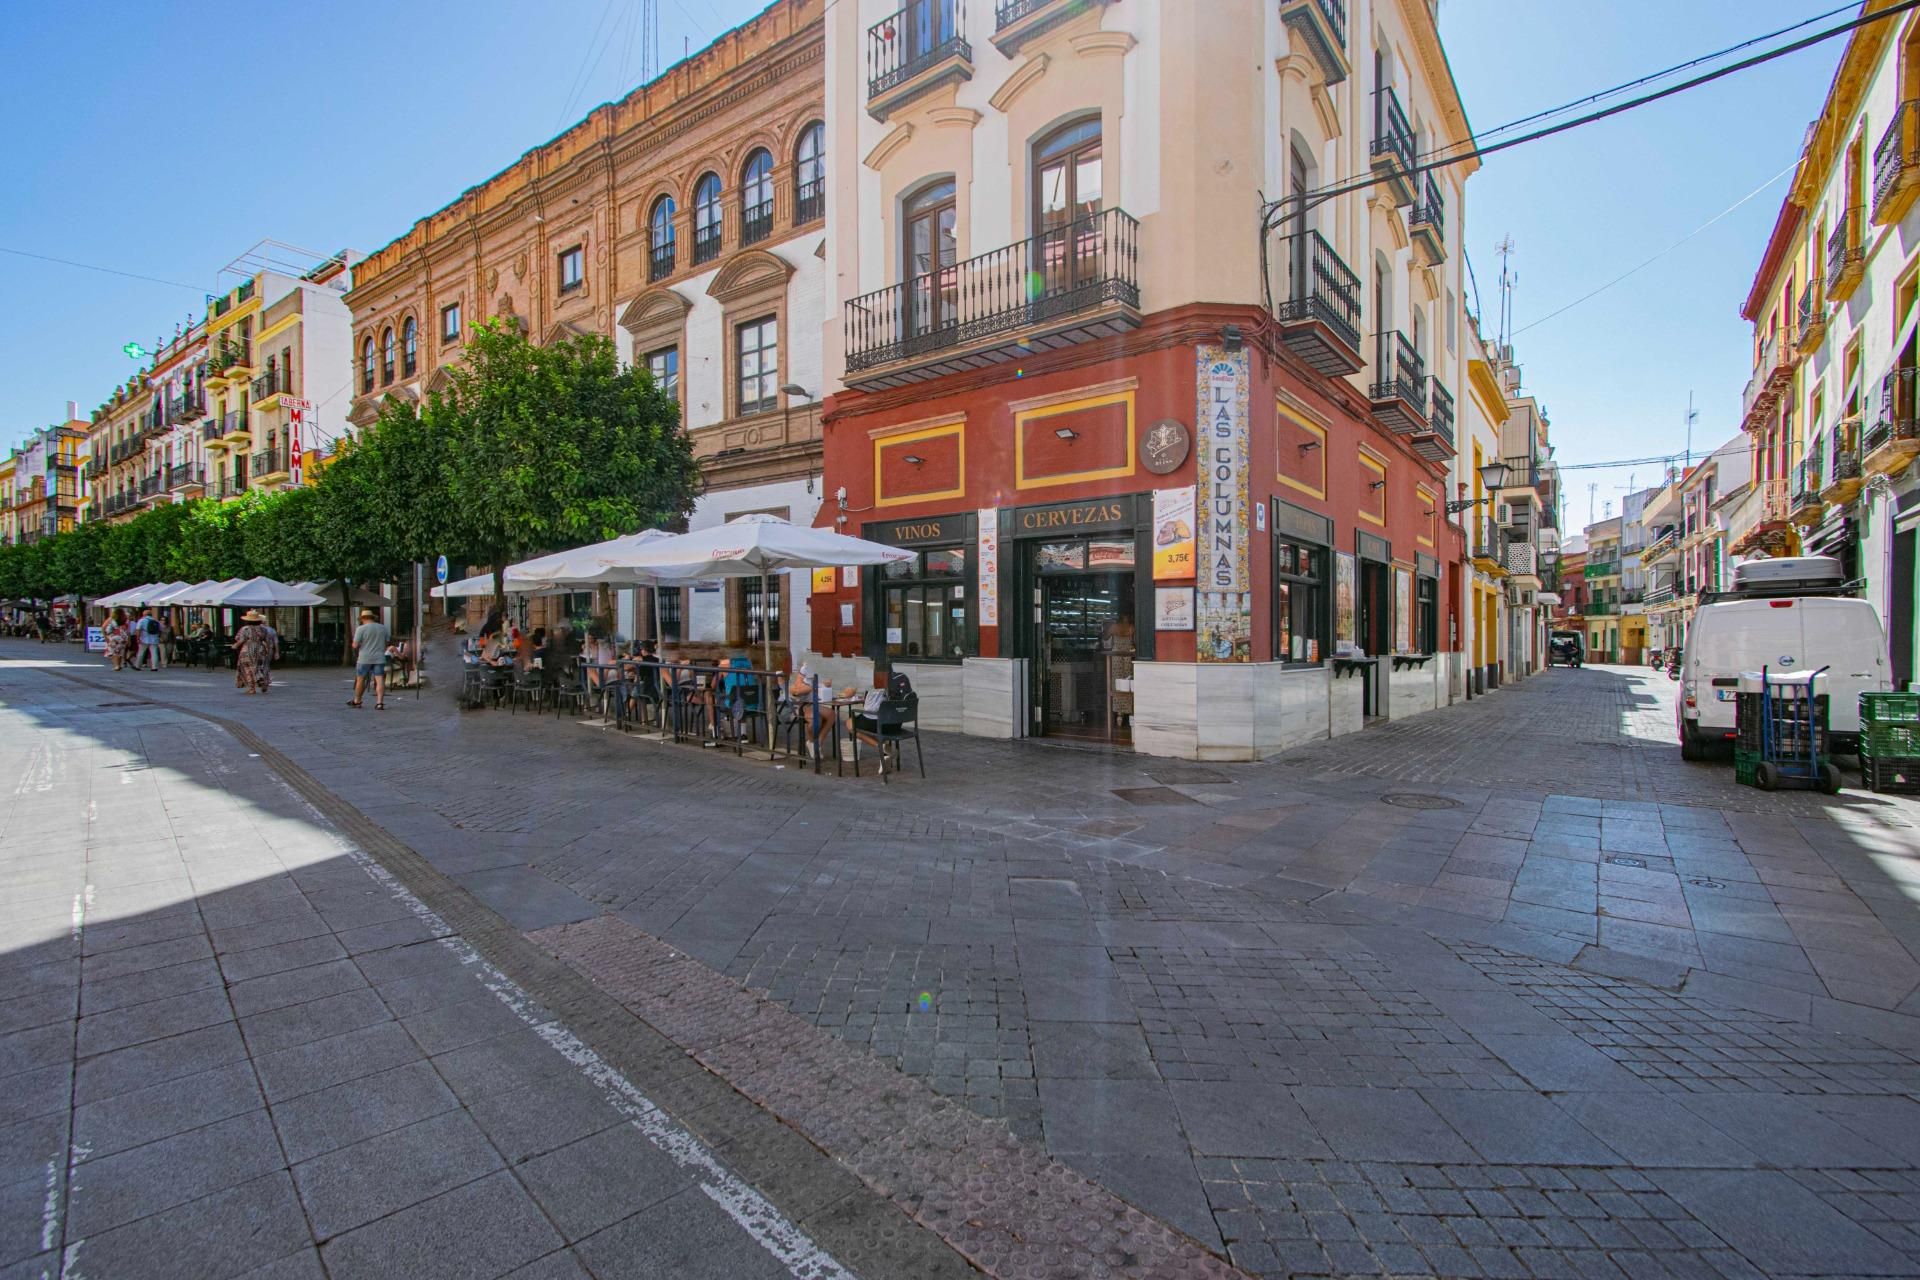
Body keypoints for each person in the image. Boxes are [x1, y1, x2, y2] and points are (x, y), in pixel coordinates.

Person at [349, 608, 392, 710]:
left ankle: (357, 701)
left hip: (364, 658)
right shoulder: (383, 628)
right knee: (380, 679)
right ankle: (379, 703)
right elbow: (387, 642)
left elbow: (355, 645)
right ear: (373, 618)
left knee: (361, 679)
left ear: (362, 618)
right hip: (379, 657)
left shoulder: (361, 629)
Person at [232, 610, 275, 694]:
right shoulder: (263, 629)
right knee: (259, 667)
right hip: (260, 649)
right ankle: (262, 681)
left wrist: (235, 645)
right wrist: (268, 650)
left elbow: (241, 639)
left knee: (247, 668)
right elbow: (268, 641)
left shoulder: (245, 629)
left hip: (247, 650)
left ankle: (252, 688)